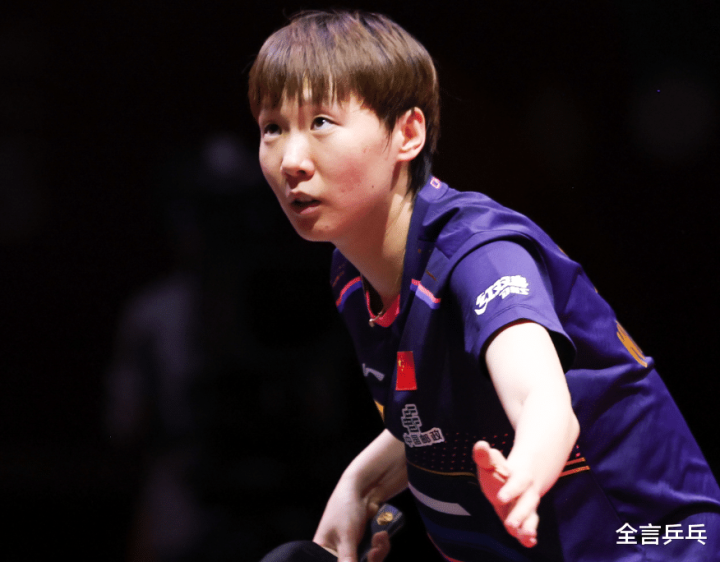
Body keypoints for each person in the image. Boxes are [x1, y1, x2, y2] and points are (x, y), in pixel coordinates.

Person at [248, 10, 720, 562]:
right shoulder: (352, 275)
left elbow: (541, 399)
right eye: (273, 128)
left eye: (322, 122)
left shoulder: (480, 255)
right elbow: (433, 416)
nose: (291, 161)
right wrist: (359, 487)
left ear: (407, 133)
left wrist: (524, 475)